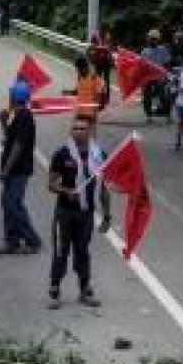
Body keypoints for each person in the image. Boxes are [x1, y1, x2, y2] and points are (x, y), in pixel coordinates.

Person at [47, 116, 112, 309]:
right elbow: (50, 183)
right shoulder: (62, 154)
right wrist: (66, 191)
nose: (77, 132)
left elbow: (104, 188)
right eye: (74, 128)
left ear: (90, 131)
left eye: (81, 128)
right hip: (64, 212)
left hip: (86, 214)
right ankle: (55, 289)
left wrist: (107, 216)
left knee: (83, 251)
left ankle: (84, 289)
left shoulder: (98, 154)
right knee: (61, 252)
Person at [0, 82, 42, 255]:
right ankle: (12, 241)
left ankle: (32, 239)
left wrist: (6, 169)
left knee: (13, 205)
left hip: (18, 169)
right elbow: (9, 138)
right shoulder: (18, 116)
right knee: (8, 204)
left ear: (15, 97)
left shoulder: (24, 117)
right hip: (14, 169)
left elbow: (18, 145)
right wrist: (3, 123)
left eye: (11, 95)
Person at [141, 29, 172, 122]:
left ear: (158, 40)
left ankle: (167, 114)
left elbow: (167, 64)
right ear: (148, 39)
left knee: (164, 94)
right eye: (151, 39)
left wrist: (166, 76)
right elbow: (142, 66)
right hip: (148, 76)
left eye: (154, 39)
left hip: (160, 75)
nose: (153, 40)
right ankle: (148, 115)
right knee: (147, 94)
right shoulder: (145, 51)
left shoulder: (163, 49)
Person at [89, 27, 114, 102]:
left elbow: (110, 48)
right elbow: (92, 47)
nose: (102, 32)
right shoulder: (95, 37)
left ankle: (106, 96)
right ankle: (99, 95)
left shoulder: (107, 37)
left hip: (105, 61)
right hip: (98, 61)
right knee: (99, 79)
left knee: (106, 80)